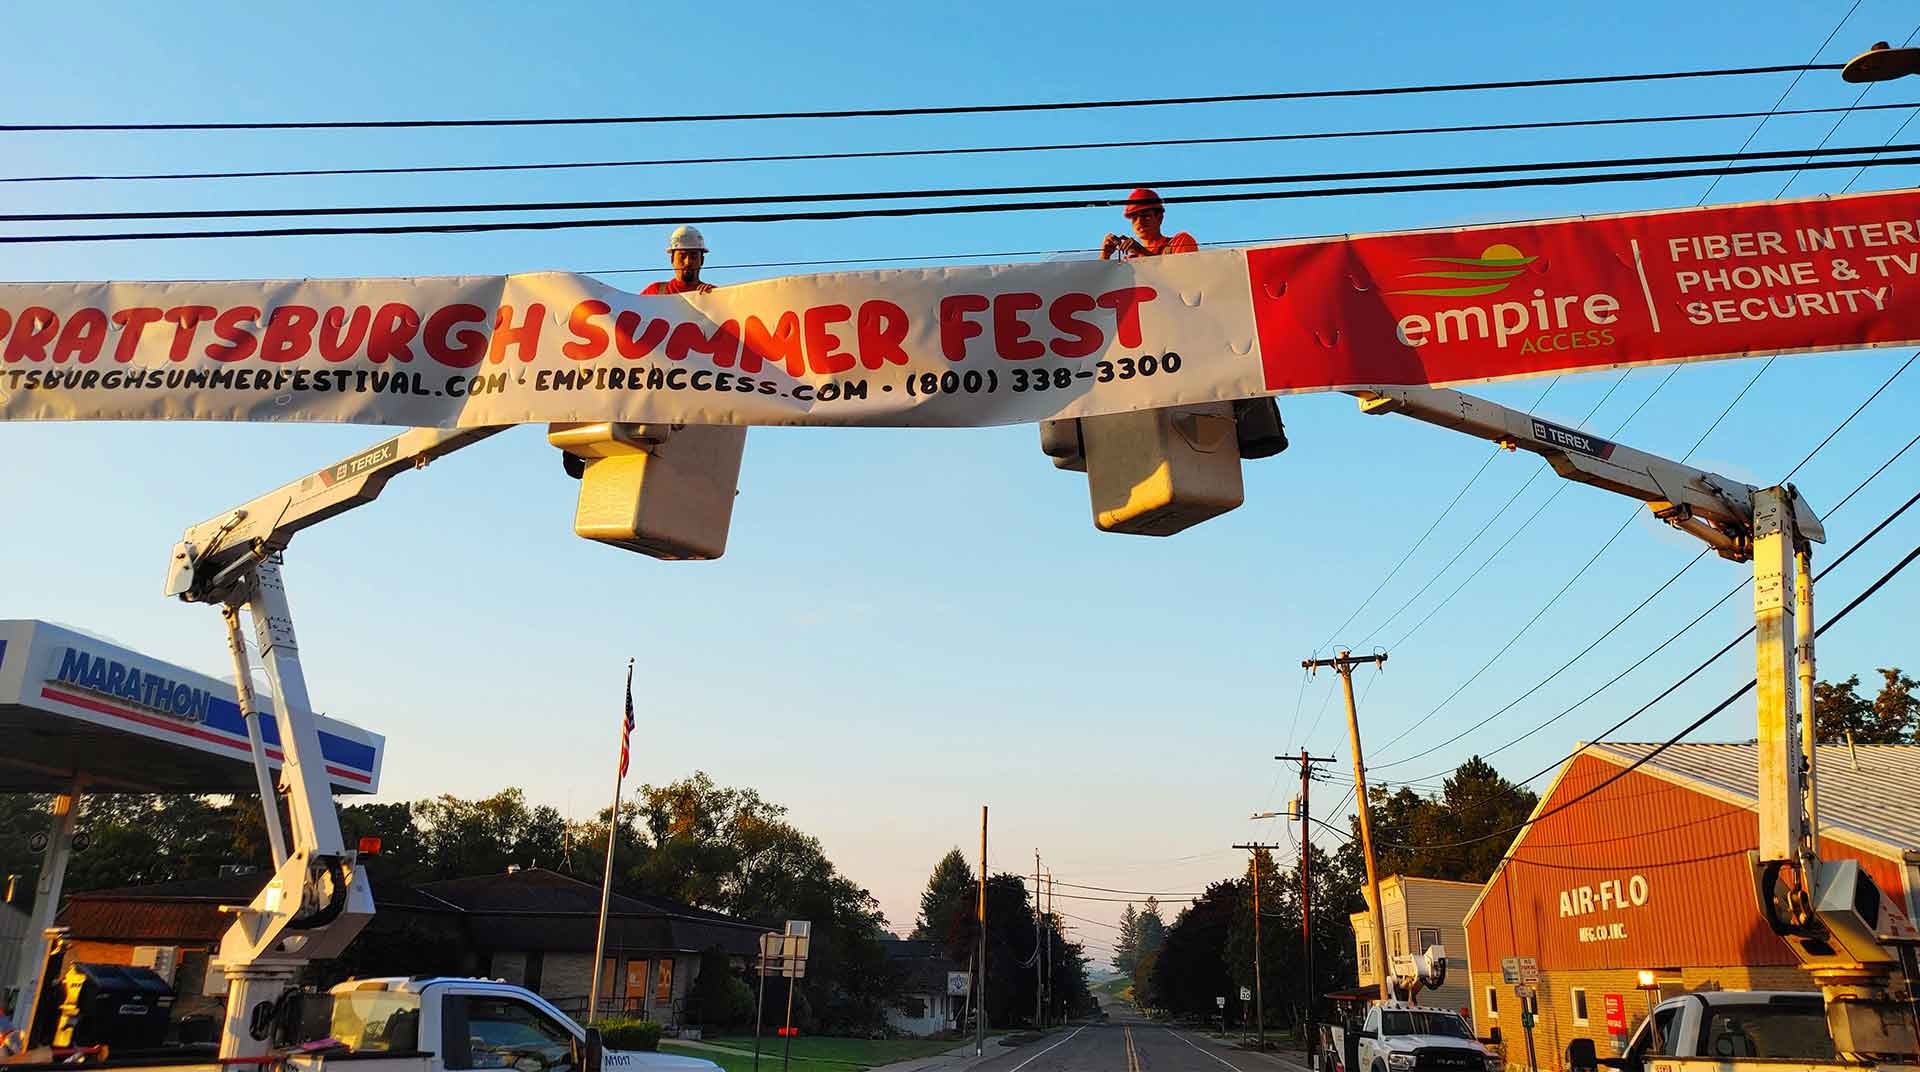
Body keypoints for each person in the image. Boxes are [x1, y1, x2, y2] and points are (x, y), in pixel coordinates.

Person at [1101, 188, 1198, 260]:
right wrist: (1105, 256)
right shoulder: (1131, 259)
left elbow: (1182, 277)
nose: (1139, 222)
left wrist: (1142, 252)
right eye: (1134, 218)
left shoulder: (1180, 242)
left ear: (1159, 217)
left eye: (1146, 216)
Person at [641, 225, 716, 295]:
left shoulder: (713, 294)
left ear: (702, 260)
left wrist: (713, 296)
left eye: (693, 256)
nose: (688, 262)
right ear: (672, 259)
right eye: (682, 256)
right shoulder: (655, 292)